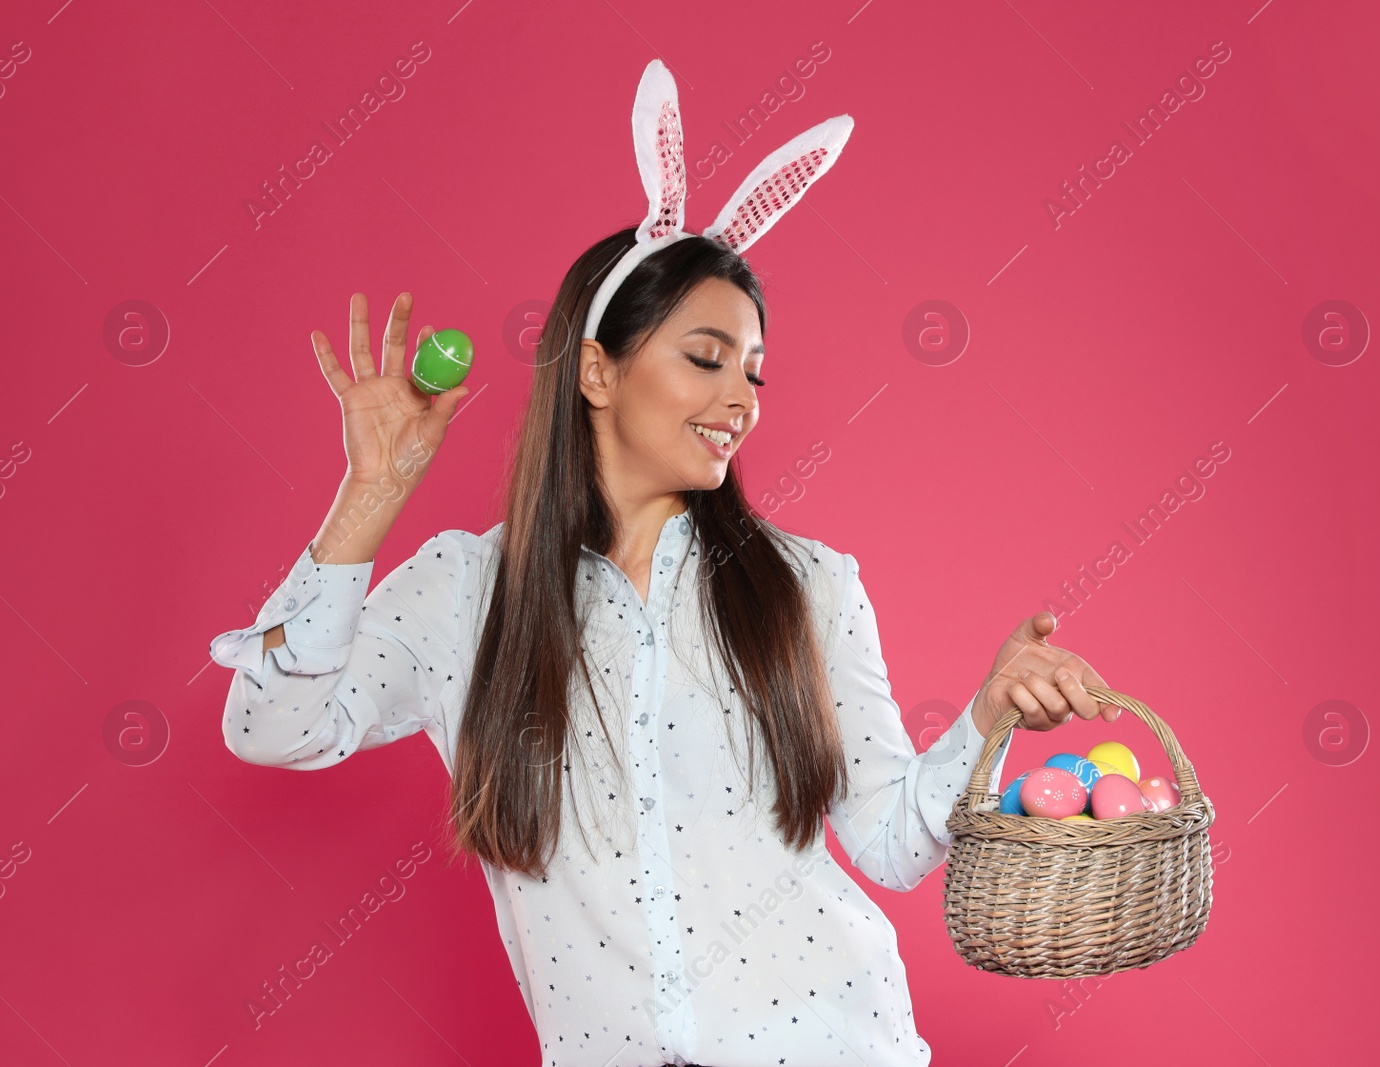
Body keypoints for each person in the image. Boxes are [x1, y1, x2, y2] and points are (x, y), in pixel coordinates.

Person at [209, 62, 1117, 1067]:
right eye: (706, 354)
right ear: (598, 367)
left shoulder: (807, 583)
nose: (742, 396)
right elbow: (268, 725)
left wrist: (986, 717)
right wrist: (370, 496)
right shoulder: (466, 590)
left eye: (754, 367)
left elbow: (891, 843)